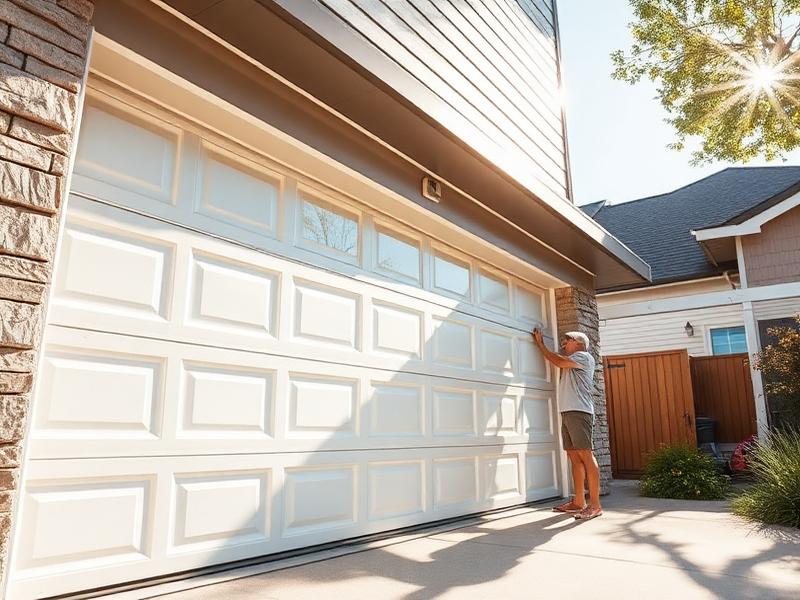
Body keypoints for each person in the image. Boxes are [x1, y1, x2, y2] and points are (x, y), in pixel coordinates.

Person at [532, 328, 603, 520]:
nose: (563, 343)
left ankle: (595, 505)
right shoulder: (574, 359)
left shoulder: (583, 356)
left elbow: (558, 361)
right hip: (569, 411)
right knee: (573, 456)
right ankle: (579, 502)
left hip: (580, 411)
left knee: (586, 455)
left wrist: (540, 344)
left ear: (579, 343)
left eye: (567, 340)